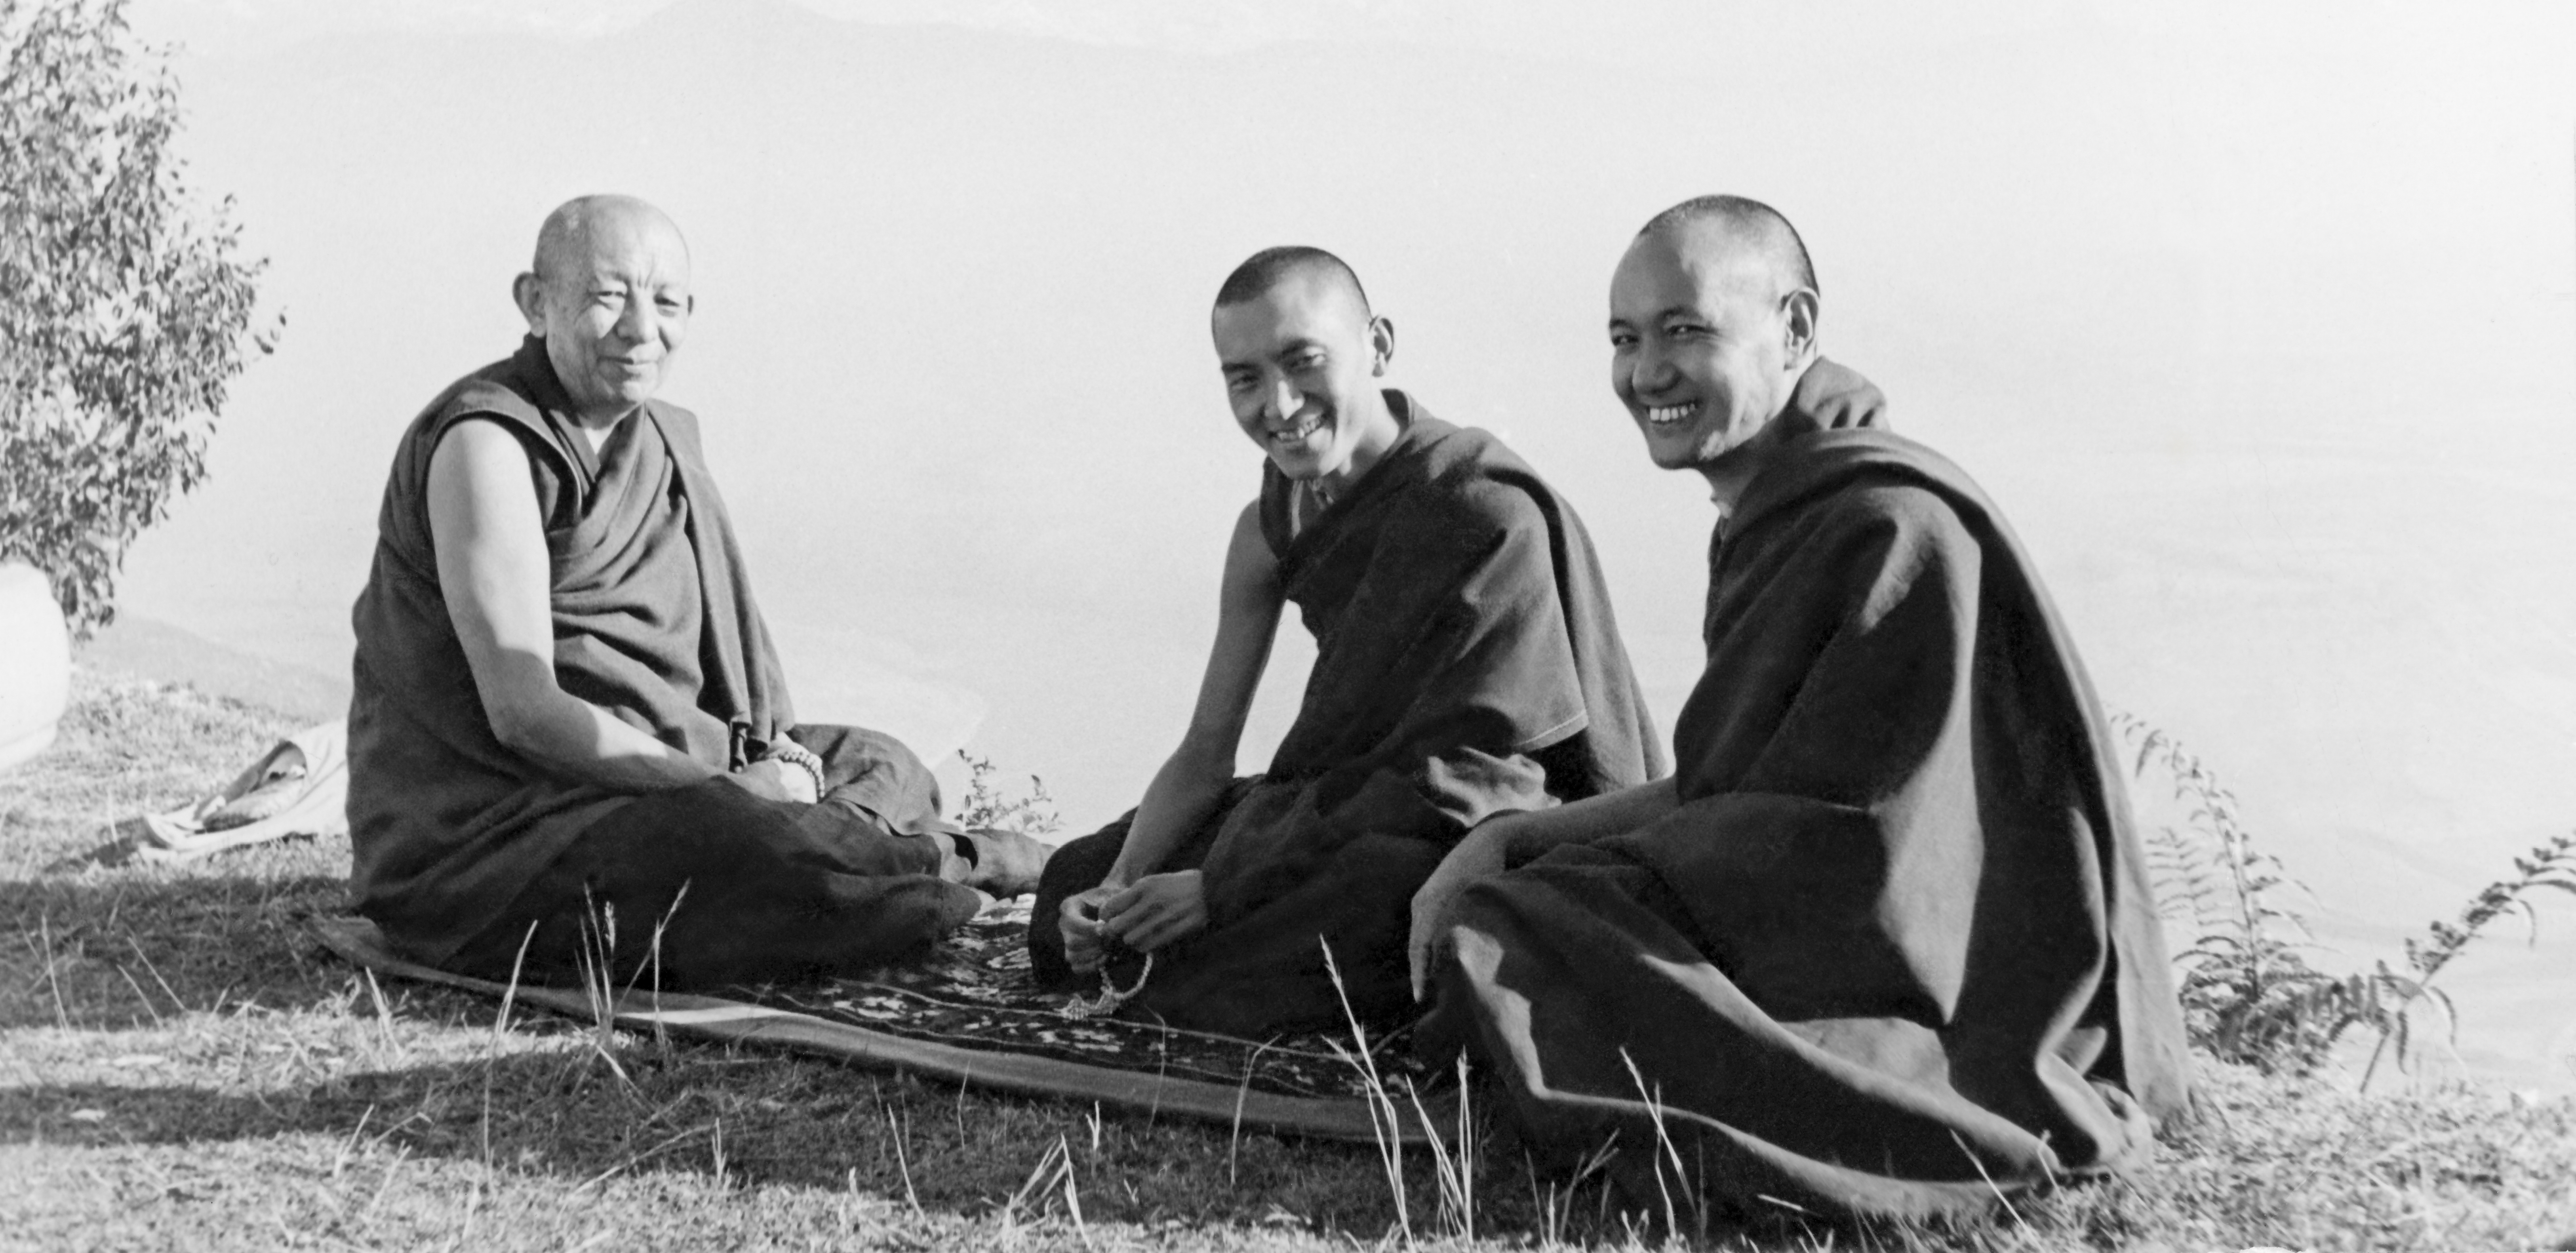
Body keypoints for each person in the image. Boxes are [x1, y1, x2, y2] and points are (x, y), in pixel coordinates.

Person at [1408, 196, 2191, 1223]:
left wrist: (1555, 871)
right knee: (1515, 902)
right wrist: (1515, 836)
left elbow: (1865, 847)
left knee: (1511, 937)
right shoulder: (1780, 506)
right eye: (1624, 339)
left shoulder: (1887, 528)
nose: (1646, 372)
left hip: (1902, 954)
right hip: (1816, 894)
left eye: (1685, 331)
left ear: (1795, 330)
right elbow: (1738, 778)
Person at [346, 194, 1047, 986]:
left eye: (667, 302)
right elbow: (524, 712)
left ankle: (863, 865)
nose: (642, 329)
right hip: (504, 836)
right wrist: (732, 792)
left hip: (672, 775)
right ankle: (943, 862)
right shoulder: (490, 445)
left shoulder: (668, 437)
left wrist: (760, 775)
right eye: (610, 295)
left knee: (881, 761)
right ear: (535, 301)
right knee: (738, 842)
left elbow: (722, 691)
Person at [1028, 246, 1665, 1035]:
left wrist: (1220, 885)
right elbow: (1204, 752)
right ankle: (1192, 953)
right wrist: (1120, 888)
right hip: (1327, 810)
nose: (1279, 402)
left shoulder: (1480, 509)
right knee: (1070, 880)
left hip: (1453, 829)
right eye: (1245, 377)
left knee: (1372, 900)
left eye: (1303, 362)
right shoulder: (1267, 529)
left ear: (1379, 346)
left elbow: (1477, 780)